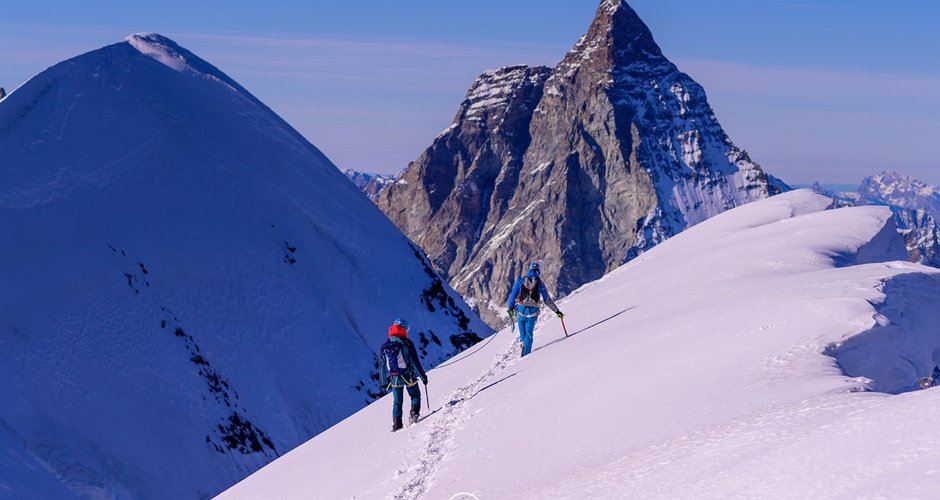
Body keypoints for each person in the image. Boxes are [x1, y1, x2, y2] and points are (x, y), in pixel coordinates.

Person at [379, 318, 428, 431]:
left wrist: (384, 382)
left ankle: (397, 425)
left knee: (397, 402)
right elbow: (415, 361)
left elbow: (381, 365)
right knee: (415, 395)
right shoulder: (407, 343)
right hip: (408, 376)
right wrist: (423, 377)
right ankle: (413, 416)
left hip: (394, 378)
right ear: (404, 329)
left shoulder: (385, 345)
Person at [507, 262, 563, 357]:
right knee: (529, 335)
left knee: (522, 332)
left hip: (520, 311)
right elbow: (547, 300)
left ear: (529, 269)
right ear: (538, 271)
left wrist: (510, 308)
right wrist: (557, 311)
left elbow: (513, 295)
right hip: (532, 314)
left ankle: (522, 342)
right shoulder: (540, 283)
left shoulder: (521, 280)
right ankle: (525, 356)